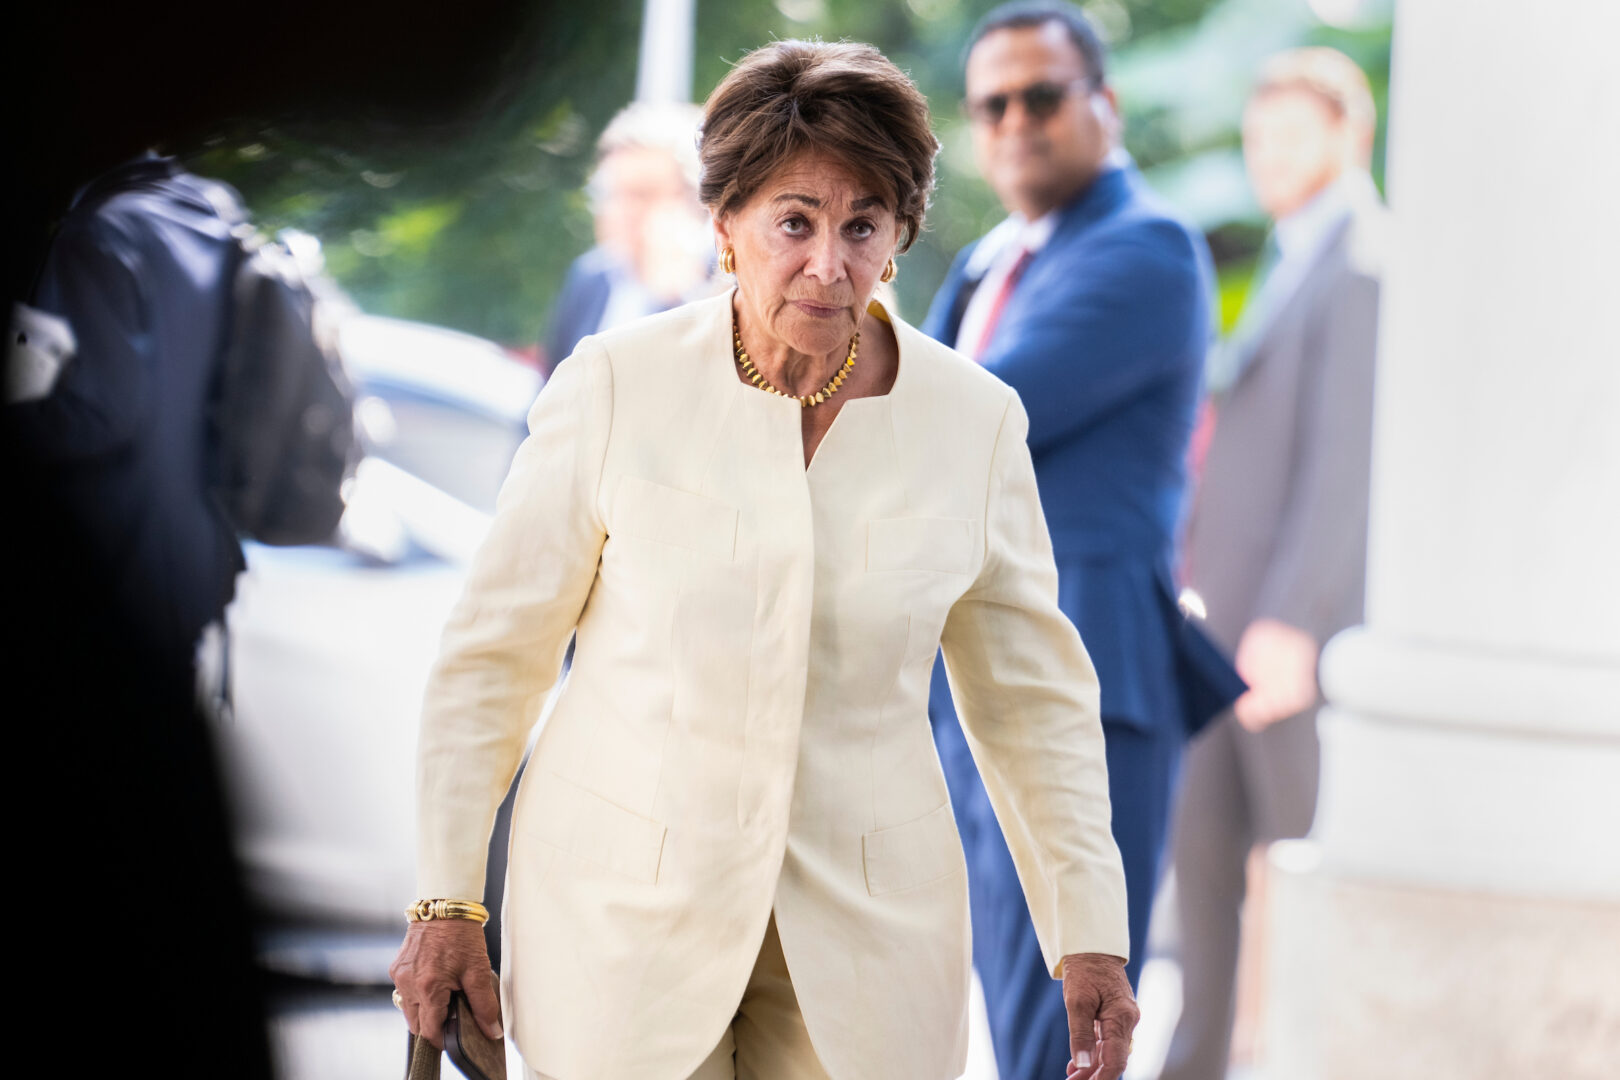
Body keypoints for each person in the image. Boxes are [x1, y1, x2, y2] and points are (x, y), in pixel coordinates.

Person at [390, 39, 1142, 1080]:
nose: (829, 264)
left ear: (901, 238)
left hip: (871, 951)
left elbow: (1032, 704)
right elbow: (491, 657)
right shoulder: (618, 386)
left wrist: (1087, 931)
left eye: (863, 226)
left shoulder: (974, 425)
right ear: (725, 227)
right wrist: (447, 901)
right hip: (621, 936)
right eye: (795, 221)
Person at [922, 4, 1244, 1077]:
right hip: (972, 678)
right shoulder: (987, 258)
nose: (1016, 121)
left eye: (1043, 95)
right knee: (1010, 1015)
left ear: (1103, 103)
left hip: (1081, 682)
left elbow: (969, 412)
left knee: (1061, 1034)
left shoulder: (1148, 247)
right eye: (992, 104)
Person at [1160, 48, 1386, 1080]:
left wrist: (1292, 622)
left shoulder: (1366, 260)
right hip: (1220, 627)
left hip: (1283, 640)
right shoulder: (1289, 253)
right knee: (1202, 863)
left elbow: (1346, 465)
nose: (1267, 156)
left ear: (1350, 136)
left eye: (1292, 134)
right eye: (1256, 138)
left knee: (1302, 879)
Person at [540, 101, 717, 376]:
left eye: (641, 194)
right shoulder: (589, 277)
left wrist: (678, 297)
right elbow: (544, 402)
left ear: (696, 204)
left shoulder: (726, 287)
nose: (622, 211)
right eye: (612, 193)